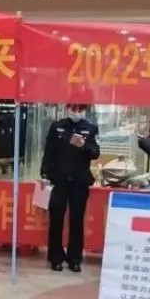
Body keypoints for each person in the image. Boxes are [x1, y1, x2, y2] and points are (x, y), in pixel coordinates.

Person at [40, 103, 100, 272]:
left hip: (79, 181)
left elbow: (96, 153)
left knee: (76, 220)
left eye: (80, 109)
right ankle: (55, 257)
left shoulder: (91, 129)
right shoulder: (57, 127)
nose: (77, 112)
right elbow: (48, 152)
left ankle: (75, 259)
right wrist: (44, 173)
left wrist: (84, 145)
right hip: (58, 180)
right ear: (67, 108)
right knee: (56, 219)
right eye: (74, 109)